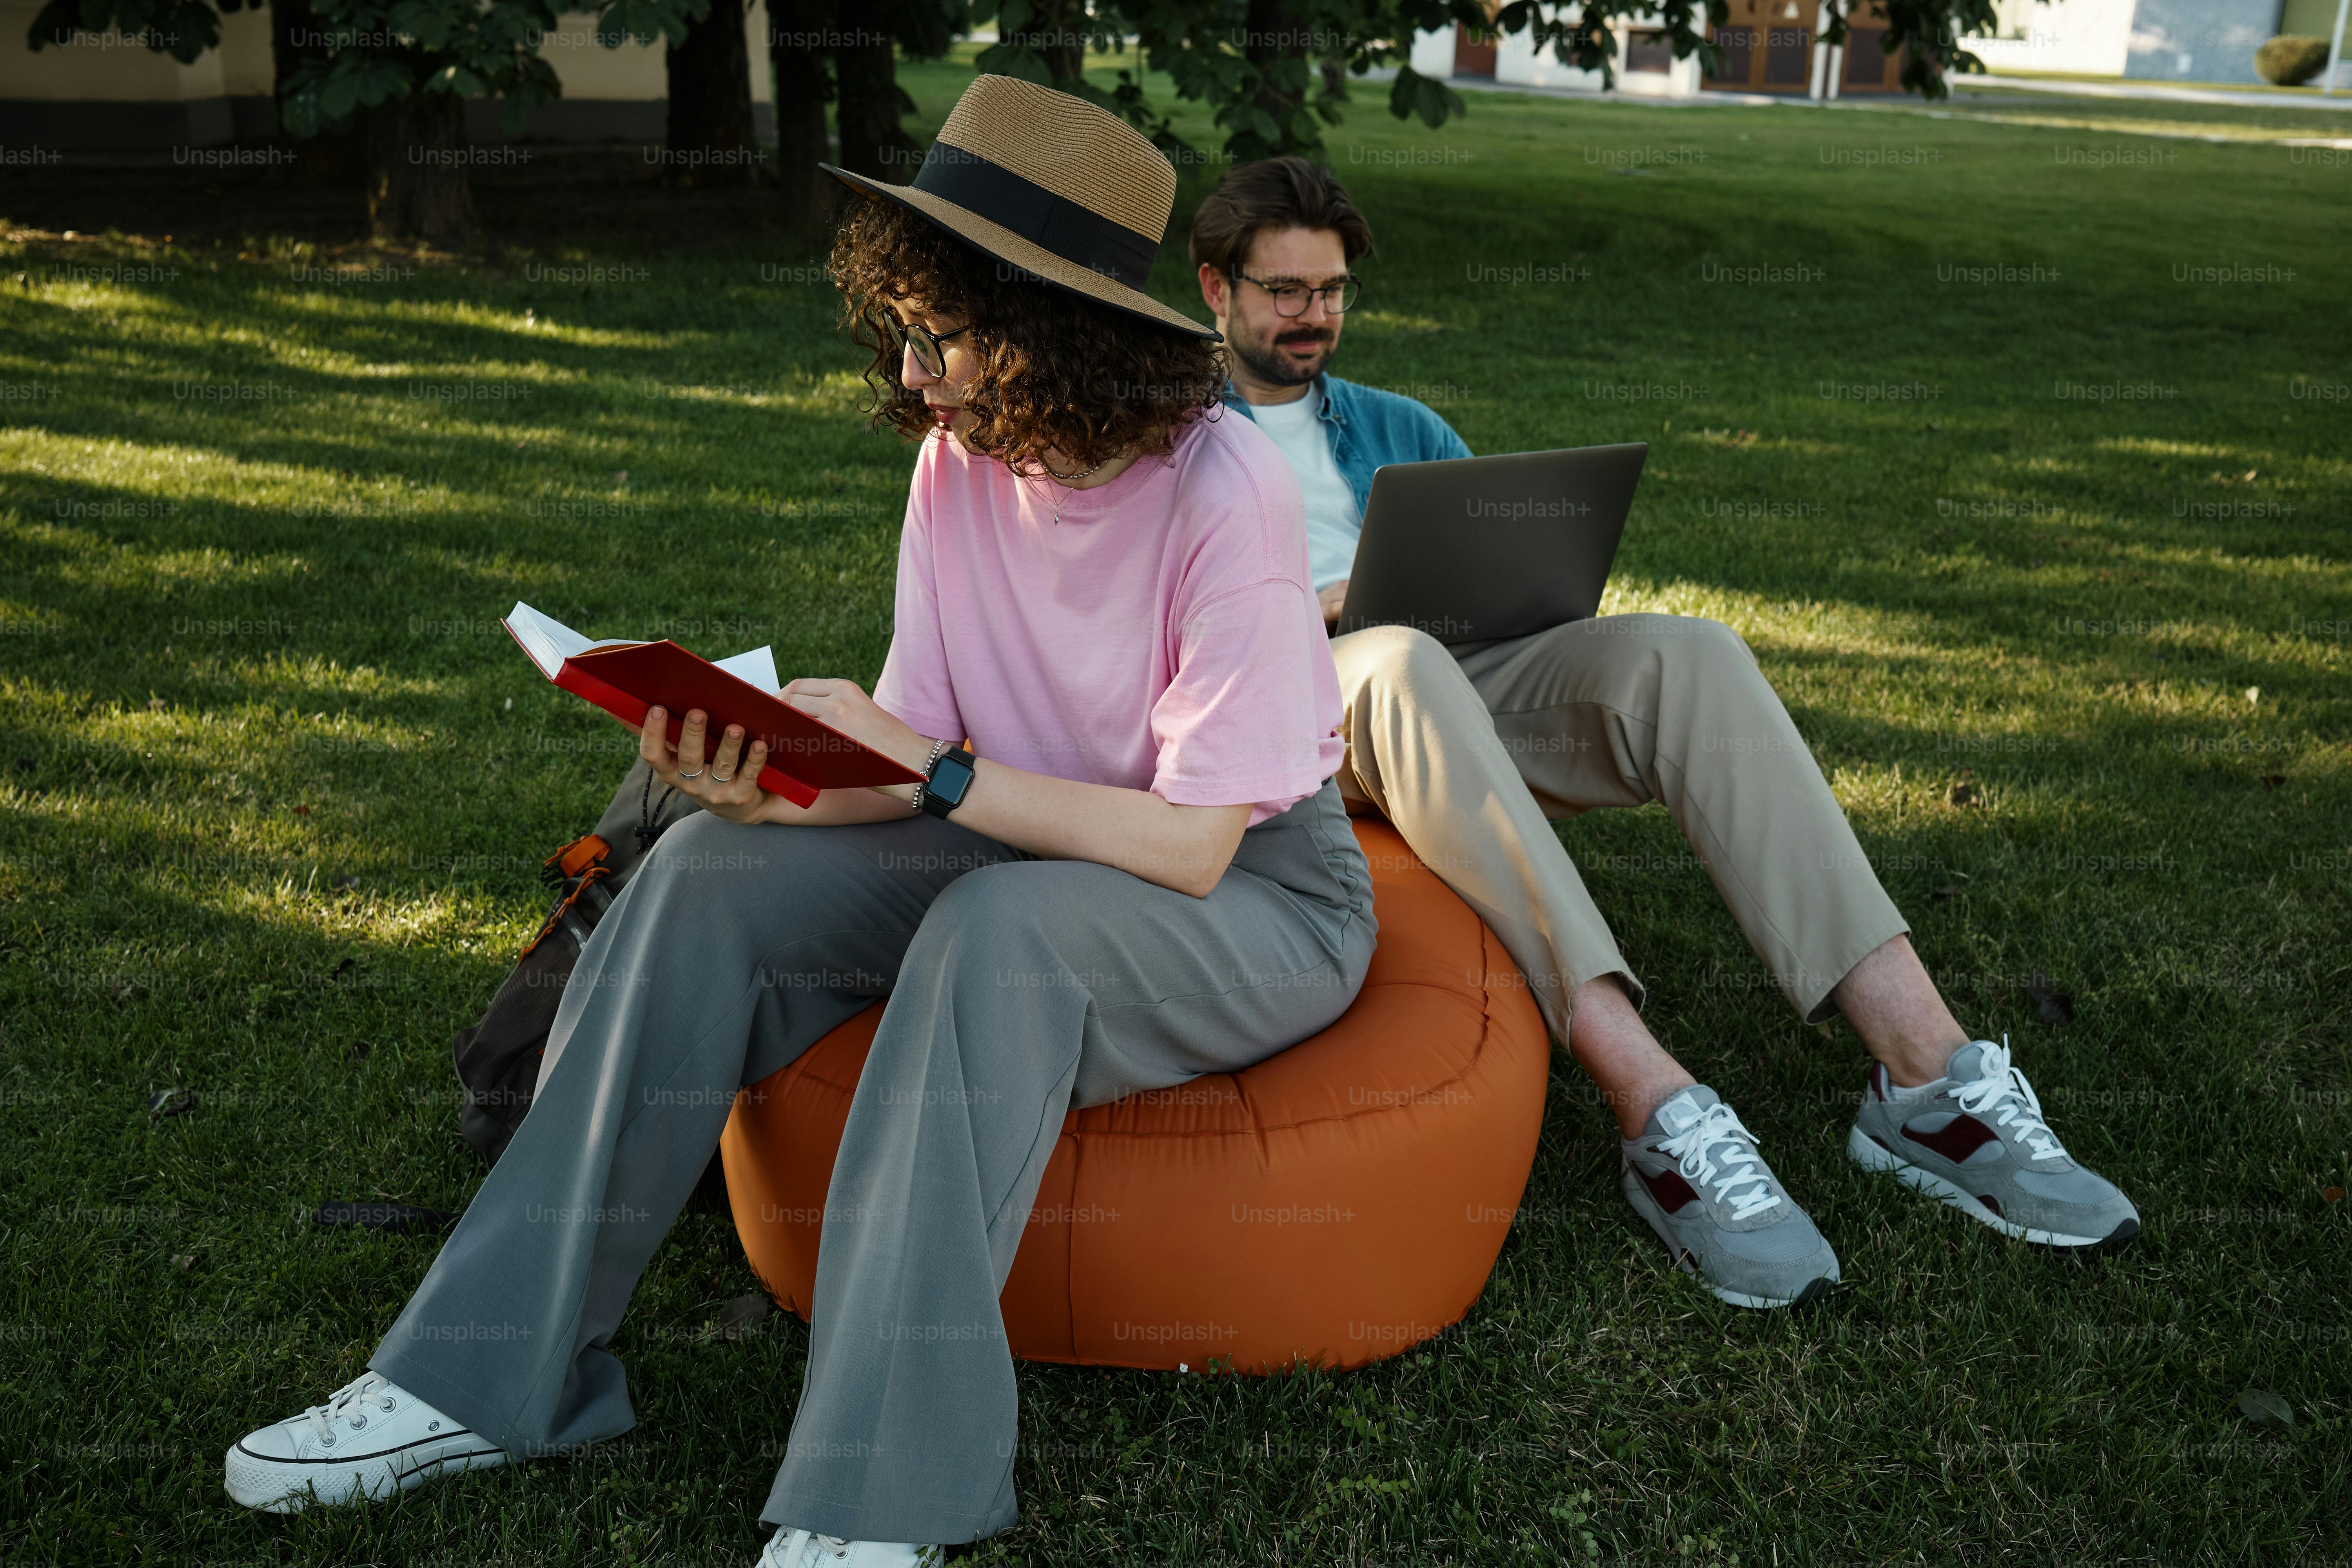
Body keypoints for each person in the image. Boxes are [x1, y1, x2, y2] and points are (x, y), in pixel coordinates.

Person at [221, 79, 1375, 1567]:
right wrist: (760, 781)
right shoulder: (958, 459)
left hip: (1248, 897)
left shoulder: (1226, 493)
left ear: (1055, 324)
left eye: (943, 335)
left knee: (990, 936)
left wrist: (938, 776)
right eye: (901, 328)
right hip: (1019, 830)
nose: (916, 372)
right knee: (707, 875)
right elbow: (906, 754)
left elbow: (1191, 843)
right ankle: (481, 1376)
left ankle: (880, 1492)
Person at [1187, 156, 2138, 1310]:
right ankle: (1661, 1112)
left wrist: (1524, 581)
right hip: (1302, 718)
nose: (1315, 318)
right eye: (1285, 292)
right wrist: (1322, 607)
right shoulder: (1167, 437)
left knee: (1690, 652)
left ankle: (1927, 1079)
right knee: (1397, 658)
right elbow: (1149, 643)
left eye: (1332, 292)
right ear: (1214, 290)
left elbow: (1485, 577)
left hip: (1449, 677)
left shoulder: (1398, 425)